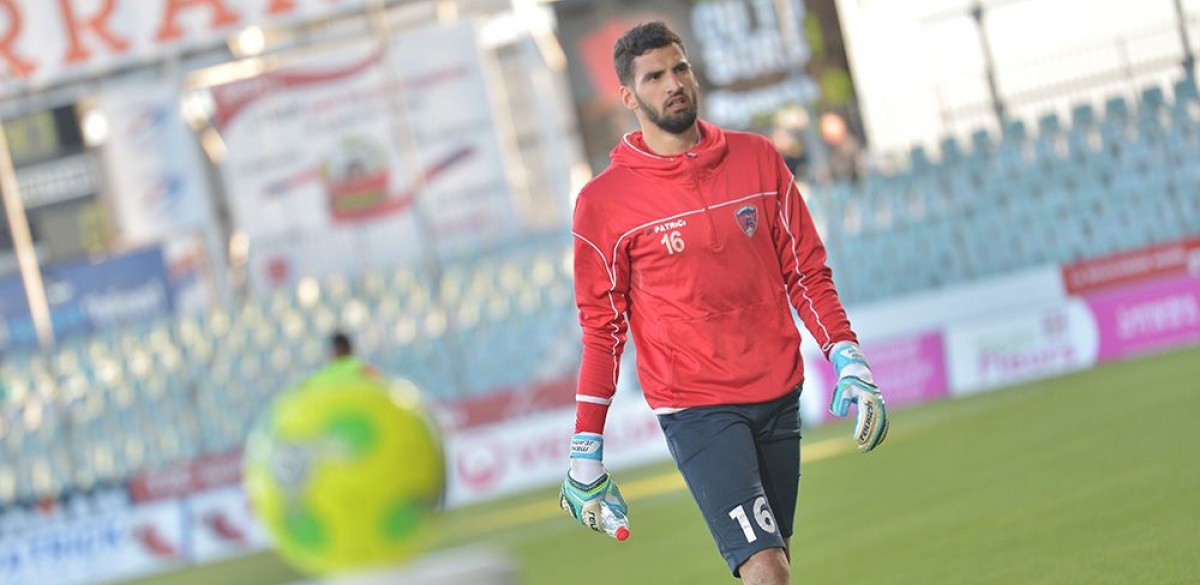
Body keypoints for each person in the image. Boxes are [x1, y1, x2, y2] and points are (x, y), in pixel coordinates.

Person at [557, 21, 889, 585]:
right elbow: (603, 330)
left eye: (679, 68)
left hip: (778, 390)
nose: (673, 84)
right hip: (696, 406)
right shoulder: (603, 202)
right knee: (766, 567)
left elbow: (806, 271)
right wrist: (586, 448)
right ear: (628, 97)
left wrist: (848, 357)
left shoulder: (758, 158)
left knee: (774, 561)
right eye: (654, 77)